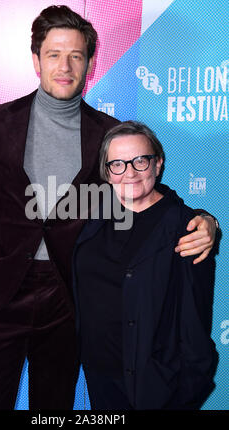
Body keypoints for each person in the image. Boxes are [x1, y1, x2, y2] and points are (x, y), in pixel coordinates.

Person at [0, 5, 217, 410]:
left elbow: (141, 189)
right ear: (36, 60)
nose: (65, 65)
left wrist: (203, 220)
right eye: (54, 54)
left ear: (90, 63)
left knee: (53, 410)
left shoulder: (107, 133)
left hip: (70, 299)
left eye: (76, 55)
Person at [73, 121, 218, 410]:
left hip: (156, 385)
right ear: (107, 172)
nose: (130, 172)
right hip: (100, 377)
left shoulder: (187, 229)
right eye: (118, 164)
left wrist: (209, 222)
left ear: (158, 164)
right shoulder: (90, 217)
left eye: (140, 160)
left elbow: (195, 325)